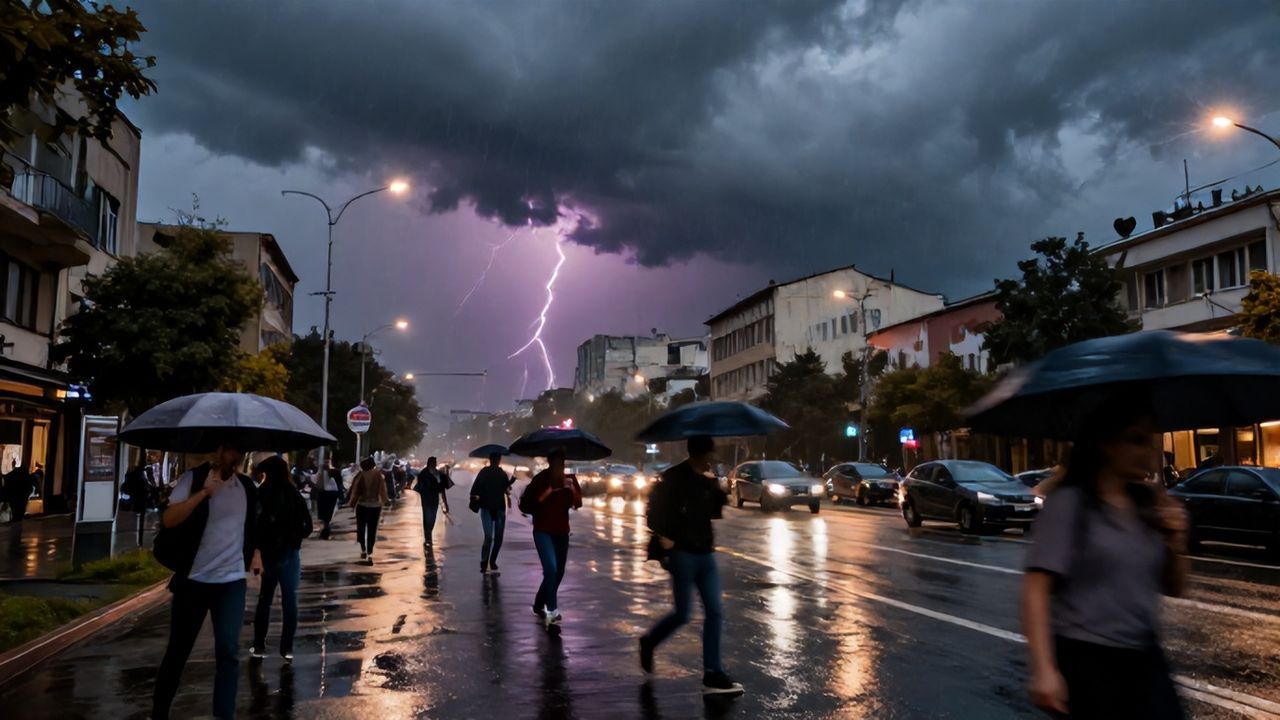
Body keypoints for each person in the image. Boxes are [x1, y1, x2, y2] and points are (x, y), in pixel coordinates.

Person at [1022, 397, 1189, 719]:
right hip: (1089, 661)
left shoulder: (1148, 507)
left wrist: (1176, 540)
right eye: (1136, 440)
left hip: (1144, 657)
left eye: (1151, 441)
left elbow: (1175, 587)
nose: (1148, 451)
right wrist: (1043, 669)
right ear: (1105, 445)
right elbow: (1035, 590)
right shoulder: (1070, 504)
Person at [153, 444, 262, 720]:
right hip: (195, 580)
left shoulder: (246, 487)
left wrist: (256, 554)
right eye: (229, 451)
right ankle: (159, 713)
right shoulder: (192, 479)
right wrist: (203, 494)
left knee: (228, 651)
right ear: (218, 451)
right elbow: (169, 518)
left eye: (238, 453)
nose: (234, 457)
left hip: (232, 581)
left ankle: (223, 716)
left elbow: (251, 527)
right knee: (179, 651)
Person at [639, 436, 744, 697]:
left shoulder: (707, 480)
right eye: (711, 452)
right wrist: (663, 535)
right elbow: (653, 511)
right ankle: (649, 641)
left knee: (715, 612)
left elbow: (714, 513)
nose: (714, 456)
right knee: (683, 614)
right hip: (682, 555)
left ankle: (712, 673)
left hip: (705, 554)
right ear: (700, 453)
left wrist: (719, 491)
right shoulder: (674, 478)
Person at [250, 455, 312, 663]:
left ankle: (259, 644)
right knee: (289, 601)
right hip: (290, 554)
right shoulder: (294, 495)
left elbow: (253, 526)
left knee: (264, 601)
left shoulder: (261, 494)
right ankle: (287, 648)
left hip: (268, 554)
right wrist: (294, 539)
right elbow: (308, 527)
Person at [521, 449, 581, 628]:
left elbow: (577, 504)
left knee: (559, 572)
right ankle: (552, 611)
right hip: (542, 531)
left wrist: (571, 489)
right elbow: (526, 505)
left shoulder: (569, 480)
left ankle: (540, 602)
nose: (559, 467)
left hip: (562, 531)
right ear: (550, 463)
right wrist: (549, 491)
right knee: (550, 569)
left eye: (562, 464)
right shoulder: (540, 480)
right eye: (556, 464)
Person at [470, 452, 512, 574]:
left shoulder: (500, 473)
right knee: (492, 537)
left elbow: (506, 489)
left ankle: (490, 561)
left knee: (494, 537)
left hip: (496, 508)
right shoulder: (488, 472)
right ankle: (486, 561)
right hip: (490, 508)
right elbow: (507, 489)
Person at [346, 457, 388, 561]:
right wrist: (385, 500)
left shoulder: (360, 475)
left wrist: (352, 503)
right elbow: (382, 489)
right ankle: (370, 548)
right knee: (372, 528)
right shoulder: (378, 475)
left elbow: (354, 490)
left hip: (362, 505)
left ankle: (363, 548)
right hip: (375, 505)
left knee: (361, 527)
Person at [413, 457, 452, 549]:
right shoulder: (423, 474)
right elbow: (420, 487)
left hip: (434, 499)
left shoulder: (439, 474)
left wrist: (446, 504)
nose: (434, 464)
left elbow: (442, 489)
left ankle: (428, 535)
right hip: (426, 499)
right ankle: (428, 538)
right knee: (427, 518)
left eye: (435, 462)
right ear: (429, 463)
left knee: (432, 518)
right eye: (433, 462)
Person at [316, 456, 342, 540]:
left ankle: (326, 530)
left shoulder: (324, 473)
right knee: (327, 514)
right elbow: (339, 484)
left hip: (325, 494)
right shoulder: (334, 472)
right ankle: (326, 529)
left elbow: (318, 485)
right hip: (330, 494)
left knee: (325, 515)